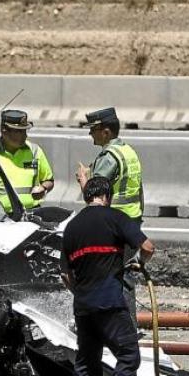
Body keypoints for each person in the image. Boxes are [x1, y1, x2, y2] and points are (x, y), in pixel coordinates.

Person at [61, 176, 155, 376]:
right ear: (108, 196)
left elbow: (65, 275)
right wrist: (137, 263)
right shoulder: (115, 217)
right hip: (110, 302)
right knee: (128, 353)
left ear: (86, 196)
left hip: (83, 306)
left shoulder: (72, 227)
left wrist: (81, 293)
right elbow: (148, 246)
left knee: (87, 362)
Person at [76, 107, 145, 324]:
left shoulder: (109, 156)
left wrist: (82, 179)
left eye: (94, 130)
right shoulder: (127, 151)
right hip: (131, 222)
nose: (90, 134)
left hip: (113, 226)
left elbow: (93, 196)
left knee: (108, 276)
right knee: (122, 275)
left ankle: (117, 326)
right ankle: (126, 324)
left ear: (106, 132)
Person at [0, 109, 55, 214]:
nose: (25, 135)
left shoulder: (35, 151)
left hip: (30, 216)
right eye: (19, 131)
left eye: (25, 131)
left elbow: (49, 180)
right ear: (4, 130)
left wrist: (43, 188)